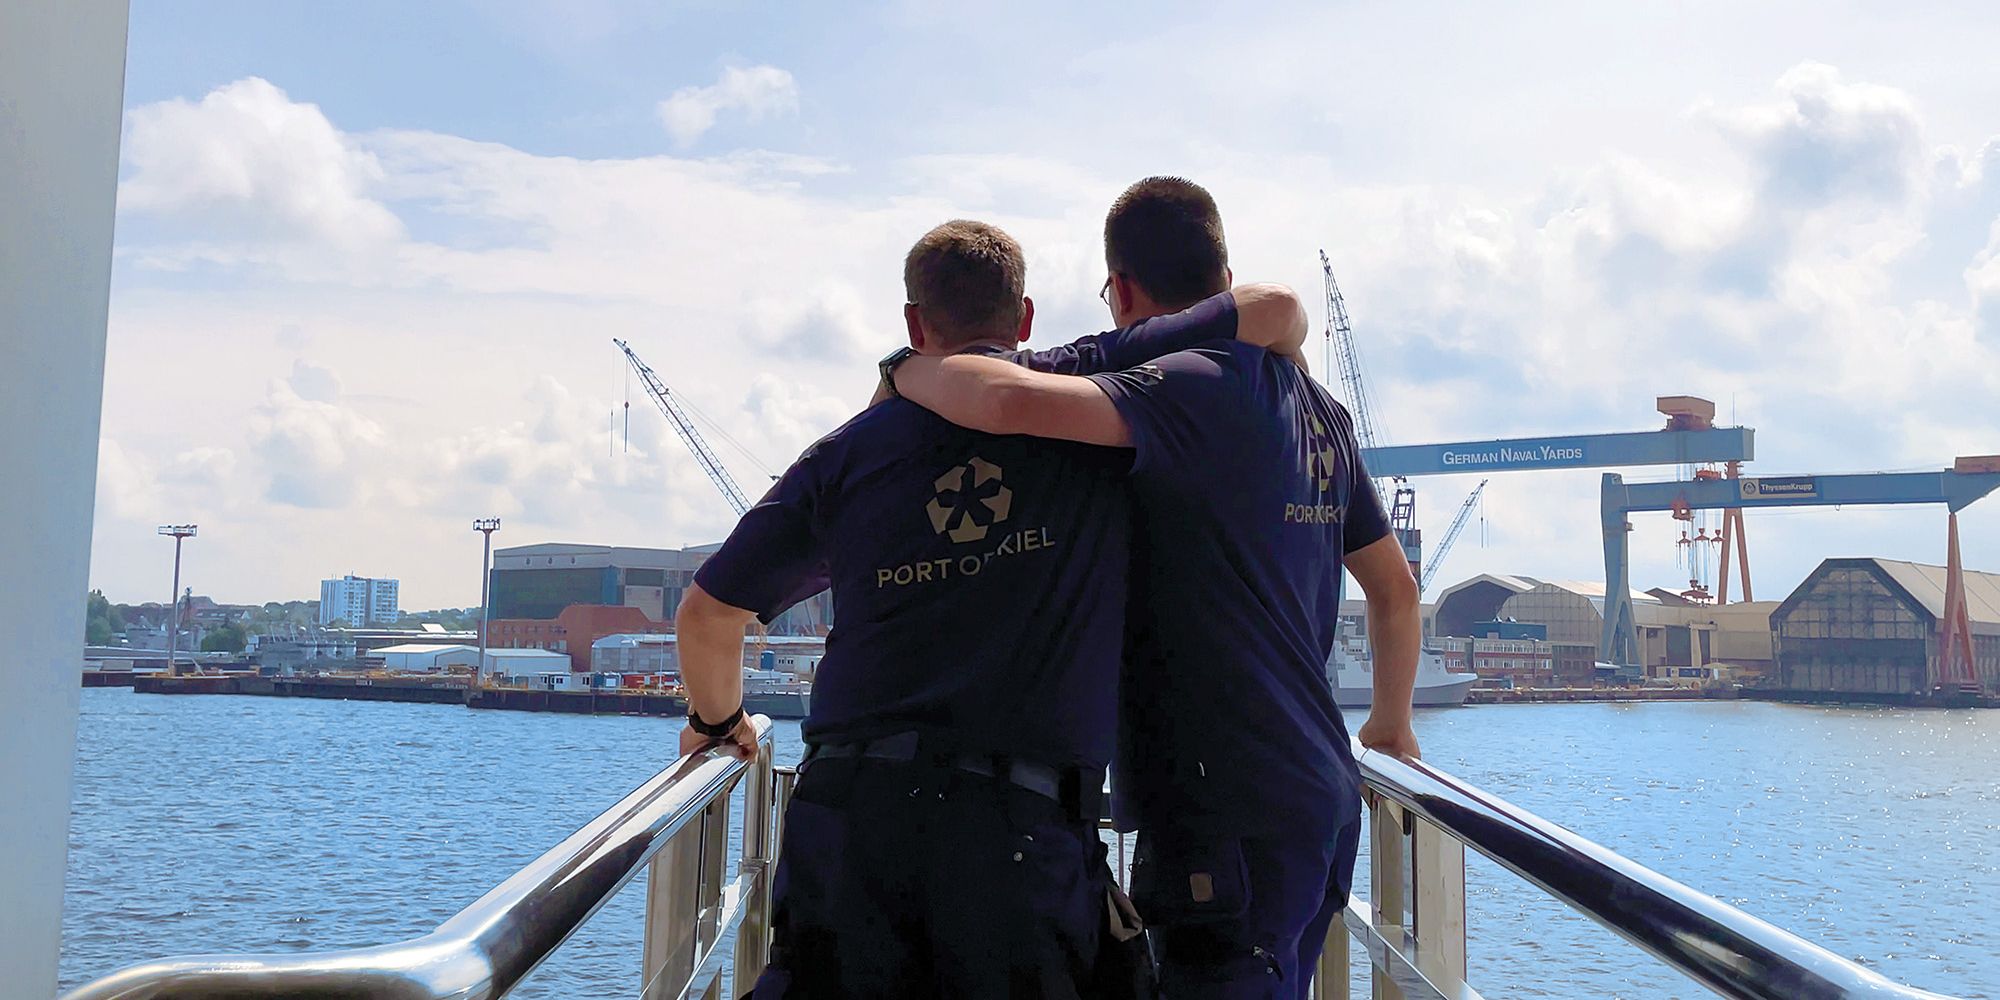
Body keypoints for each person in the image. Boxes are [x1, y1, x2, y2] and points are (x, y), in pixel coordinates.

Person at [675, 217, 1310, 998]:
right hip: (1021, 836)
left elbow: (707, 615)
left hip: (848, 825)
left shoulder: (844, 454)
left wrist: (716, 723)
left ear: (915, 323)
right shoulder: (1091, 401)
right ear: (1027, 317)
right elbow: (1269, 309)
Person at [884, 177, 1424, 999]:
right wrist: (1388, 727)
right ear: (1221, 268)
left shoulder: (1194, 386)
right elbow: (1396, 591)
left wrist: (906, 373)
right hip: (1321, 793)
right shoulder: (1321, 411)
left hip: (1222, 807)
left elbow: (1001, 399)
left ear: (1124, 287)